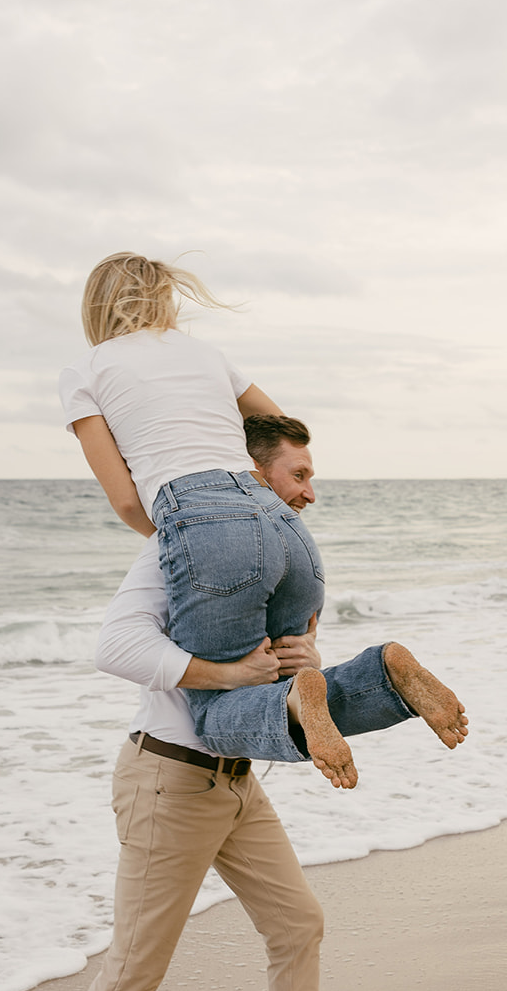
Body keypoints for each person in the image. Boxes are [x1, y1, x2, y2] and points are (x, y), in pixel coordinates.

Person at [26, 419, 419, 991]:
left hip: (235, 779)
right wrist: (227, 675)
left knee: (296, 922)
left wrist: (304, 658)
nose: (309, 493)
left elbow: (270, 670)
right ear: (251, 475)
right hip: (168, 778)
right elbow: (115, 647)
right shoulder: (176, 548)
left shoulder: (278, 567)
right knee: (139, 960)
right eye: (298, 476)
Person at [59, 252, 467, 787]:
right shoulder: (205, 354)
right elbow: (279, 425)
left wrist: (194, 539)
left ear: (96, 307)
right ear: (166, 298)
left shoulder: (85, 370)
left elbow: (129, 503)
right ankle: (381, 672)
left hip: (199, 515)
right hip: (279, 521)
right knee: (281, 673)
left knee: (213, 712)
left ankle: (310, 693)